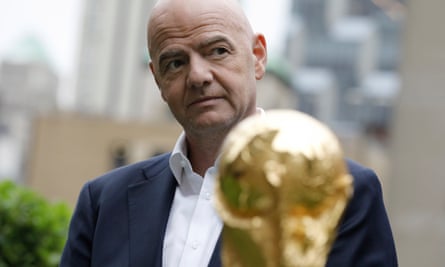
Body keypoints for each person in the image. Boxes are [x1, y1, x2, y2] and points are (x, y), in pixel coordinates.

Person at [60, 0, 398, 266]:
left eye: (217, 51)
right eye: (175, 62)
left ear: (258, 57)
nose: (198, 76)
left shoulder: (340, 193)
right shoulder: (104, 202)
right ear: (158, 80)